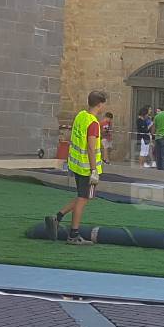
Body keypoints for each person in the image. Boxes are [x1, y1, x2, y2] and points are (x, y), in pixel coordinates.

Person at [46, 91, 108, 245]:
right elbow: (91, 149)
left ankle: (58, 217)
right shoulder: (93, 123)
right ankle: (73, 234)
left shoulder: (81, 116)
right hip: (87, 168)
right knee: (83, 198)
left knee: (84, 196)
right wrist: (94, 171)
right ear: (100, 104)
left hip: (76, 165)